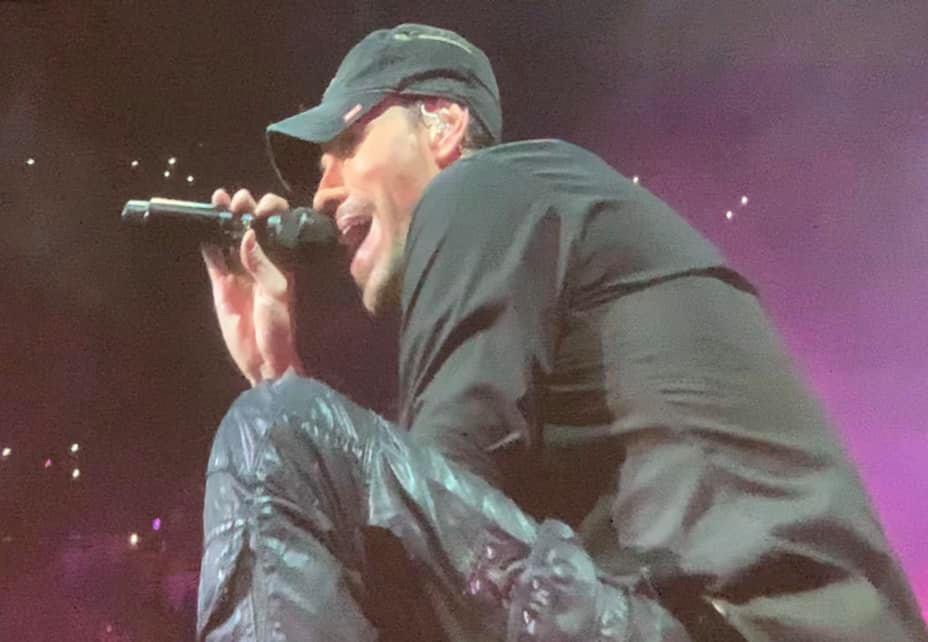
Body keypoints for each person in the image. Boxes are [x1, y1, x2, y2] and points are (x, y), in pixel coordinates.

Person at [196, 23, 927, 641]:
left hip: (737, 628)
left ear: (443, 125)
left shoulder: (480, 188)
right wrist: (277, 366)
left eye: (349, 141)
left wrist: (287, 421)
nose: (322, 189)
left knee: (281, 430)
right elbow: (444, 539)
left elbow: (423, 546)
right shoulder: (548, 228)